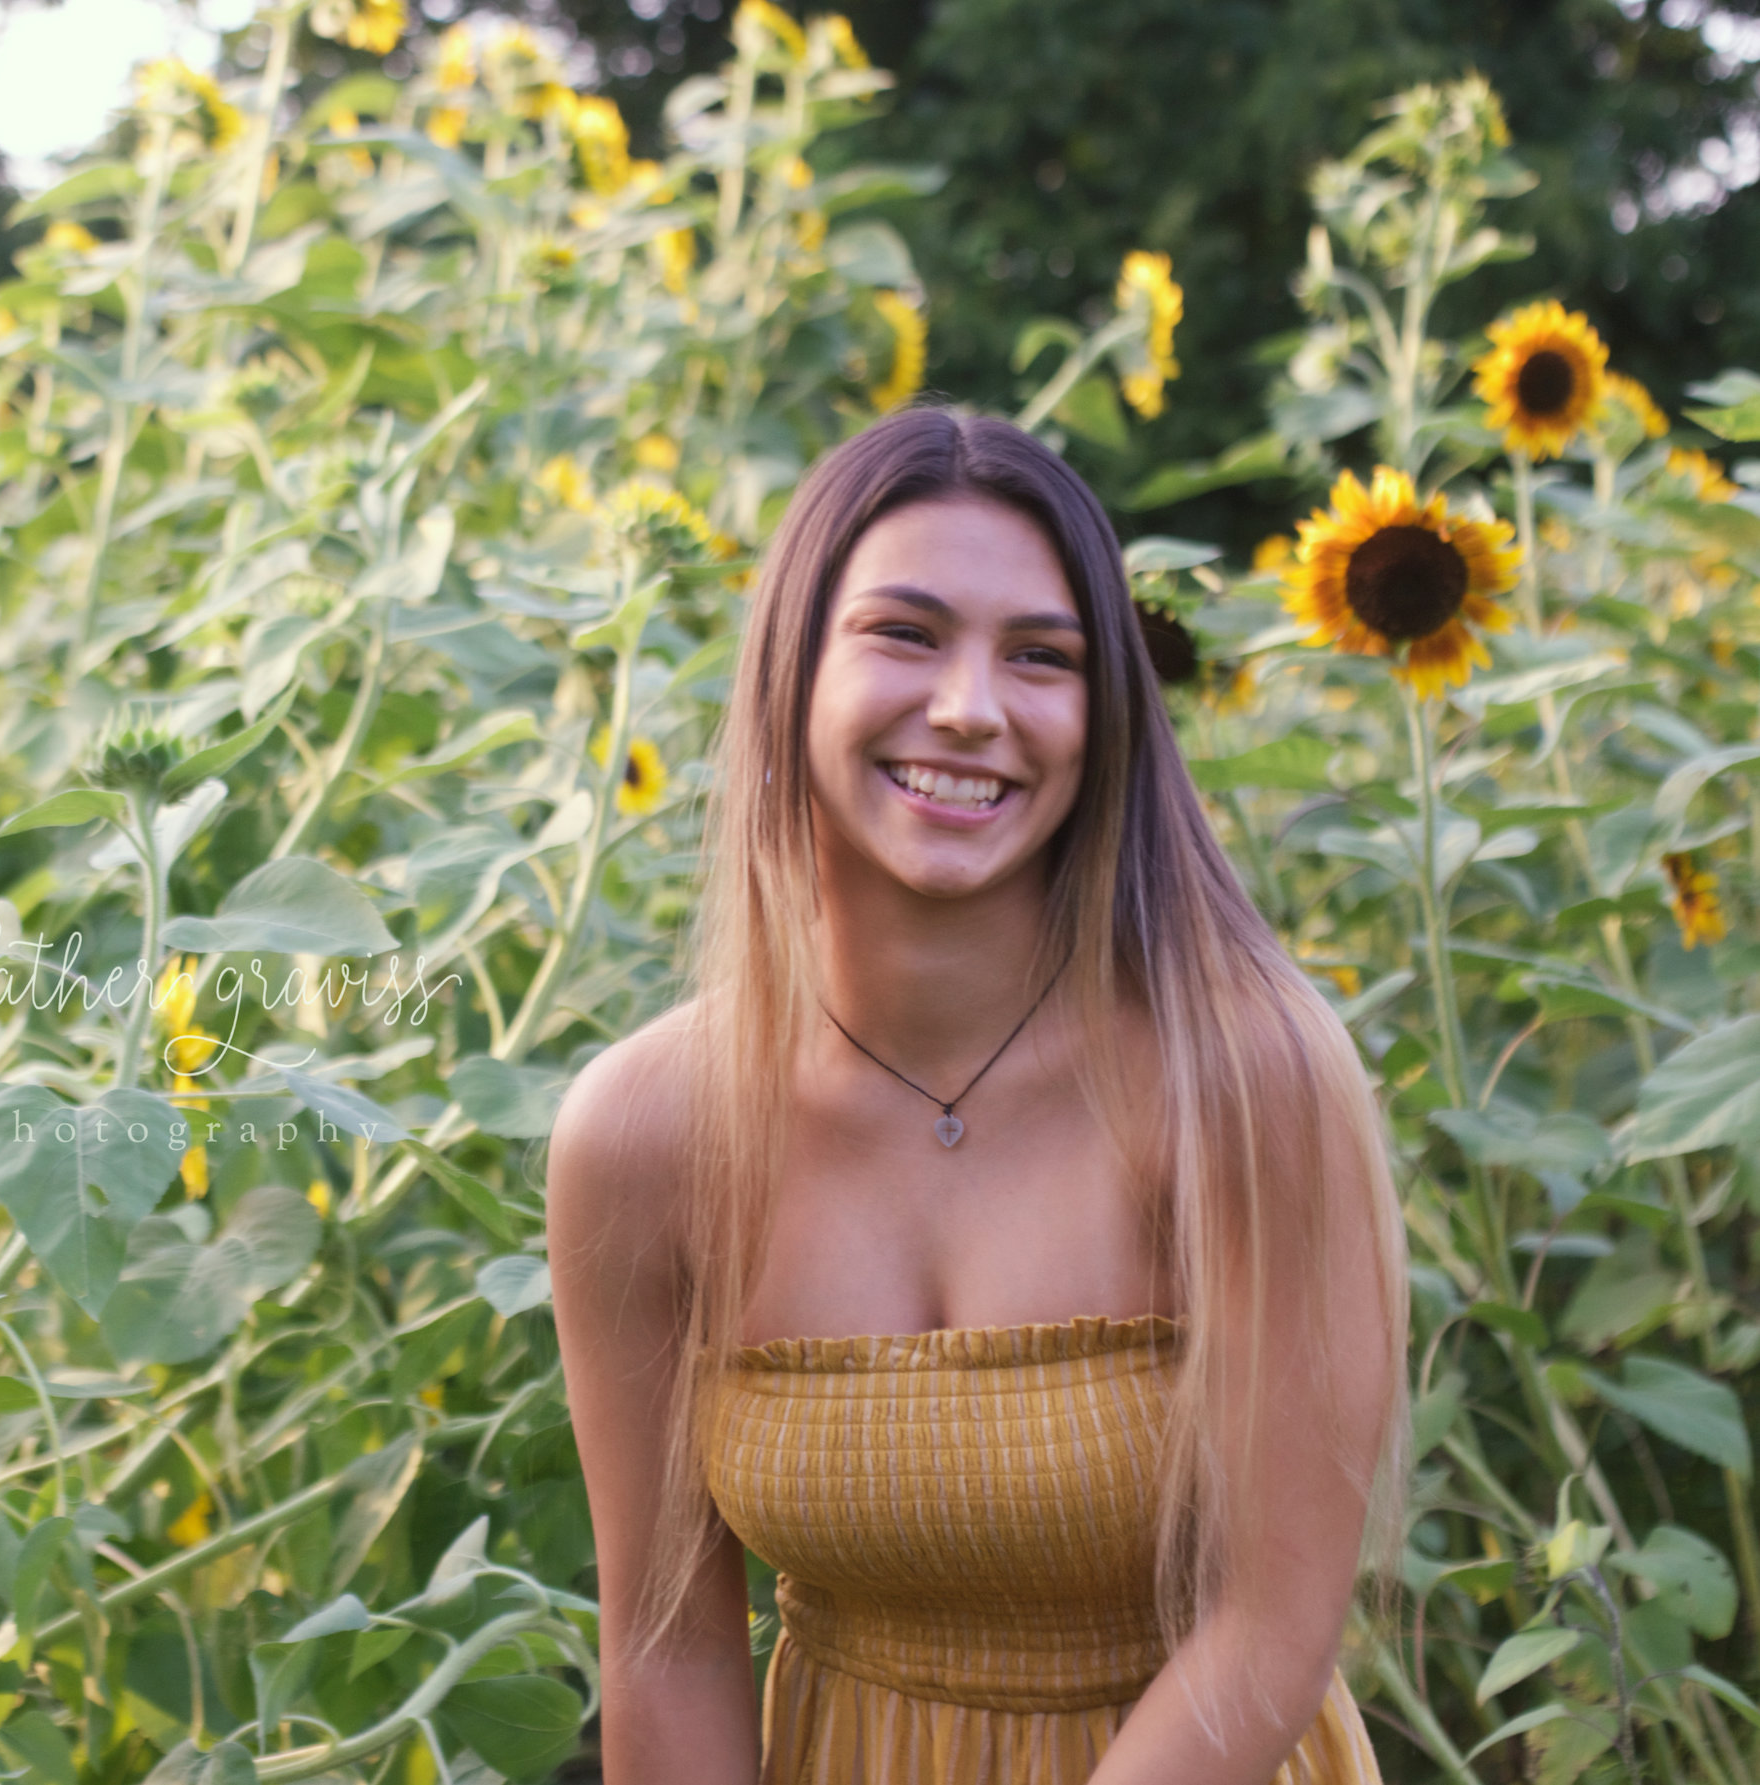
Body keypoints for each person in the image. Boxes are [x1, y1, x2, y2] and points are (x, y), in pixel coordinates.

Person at [545, 405, 1409, 1785]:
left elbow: (1270, 1628)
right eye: (904, 632)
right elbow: (671, 1647)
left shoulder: (1244, 1083)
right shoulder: (648, 1133)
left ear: (1104, 712)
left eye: (1041, 657)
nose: (969, 706)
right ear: (789, 672)